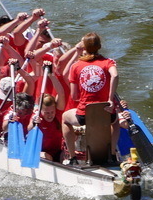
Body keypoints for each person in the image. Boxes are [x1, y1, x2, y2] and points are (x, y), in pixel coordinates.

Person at [61, 32, 119, 165]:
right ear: (99, 46)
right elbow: (115, 76)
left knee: (65, 118)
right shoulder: (108, 62)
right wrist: (110, 99)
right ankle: (112, 154)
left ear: (84, 48)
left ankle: (72, 157)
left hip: (84, 114)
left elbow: (74, 96)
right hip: (106, 112)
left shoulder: (75, 66)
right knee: (115, 121)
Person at [27, 94, 65, 163]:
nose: (50, 115)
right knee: (46, 156)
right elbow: (29, 129)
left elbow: (60, 93)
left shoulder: (58, 114)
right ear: (40, 110)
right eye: (47, 113)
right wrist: (33, 123)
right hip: (41, 152)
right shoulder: (37, 116)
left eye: (52, 112)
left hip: (57, 151)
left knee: (66, 156)